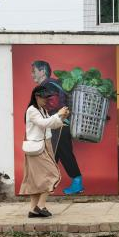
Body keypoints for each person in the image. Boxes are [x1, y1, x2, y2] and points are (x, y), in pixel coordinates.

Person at [31, 60, 83, 195]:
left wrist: (37, 112)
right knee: (54, 154)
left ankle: (77, 182)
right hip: (60, 124)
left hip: (58, 126)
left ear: (42, 72)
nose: (32, 74)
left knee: (64, 154)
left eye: (34, 71)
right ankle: (47, 184)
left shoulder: (47, 85)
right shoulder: (54, 84)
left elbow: (54, 104)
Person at [20, 85, 70, 218]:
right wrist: (58, 114)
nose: (46, 100)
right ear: (36, 97)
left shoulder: (42, 109)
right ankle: (41, 206)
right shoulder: (32, 110)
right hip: (37, 147)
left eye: (48, 97)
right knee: (53, 174)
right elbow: (44, 123)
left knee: (37, 180)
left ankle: (33, 210)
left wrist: (62, 117)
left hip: (45, 145)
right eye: (44, 97)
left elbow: (51, 124)